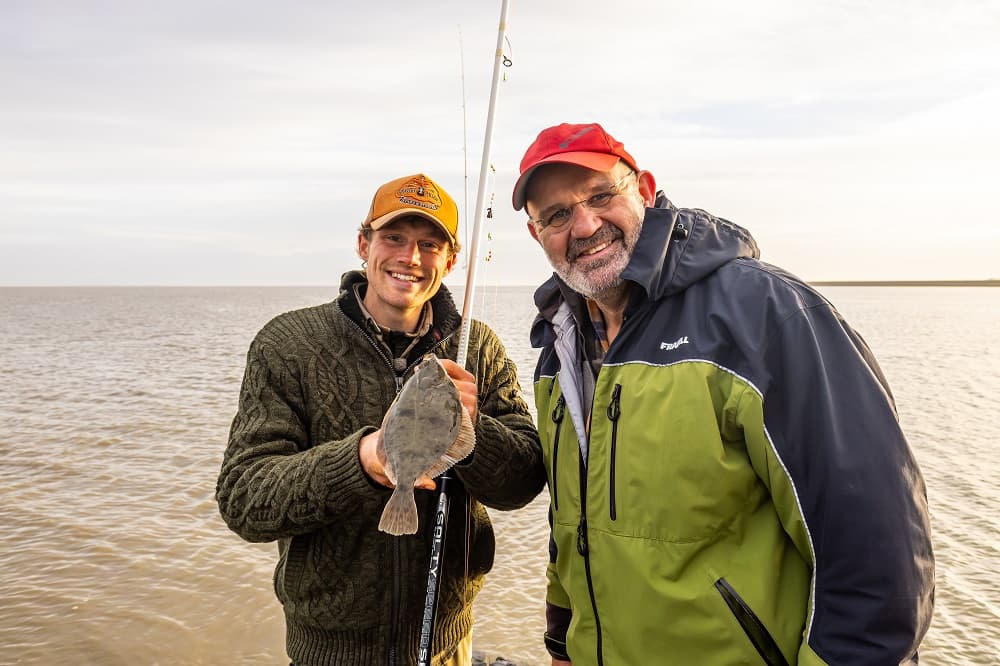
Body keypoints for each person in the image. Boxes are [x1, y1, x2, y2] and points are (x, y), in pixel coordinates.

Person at [512, 123, 935, 665]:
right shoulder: (559, 344)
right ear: (537, 234)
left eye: (600, 195)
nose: (586, 225)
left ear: (643, 188)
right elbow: (572, 525)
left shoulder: (766, 315)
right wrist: (561, 641)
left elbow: (881, 556)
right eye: (558, 215)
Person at [217, 173, 545, 665]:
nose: (410, 258)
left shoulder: (477, 347)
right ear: (362, 244)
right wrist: (362, 460)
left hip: (446, 643)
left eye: (429, 244)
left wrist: (474, 433)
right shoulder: (288, 344)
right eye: (394, 237)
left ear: (450, 261)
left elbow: (523, 483)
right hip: (327, 651)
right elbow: (244, 499)